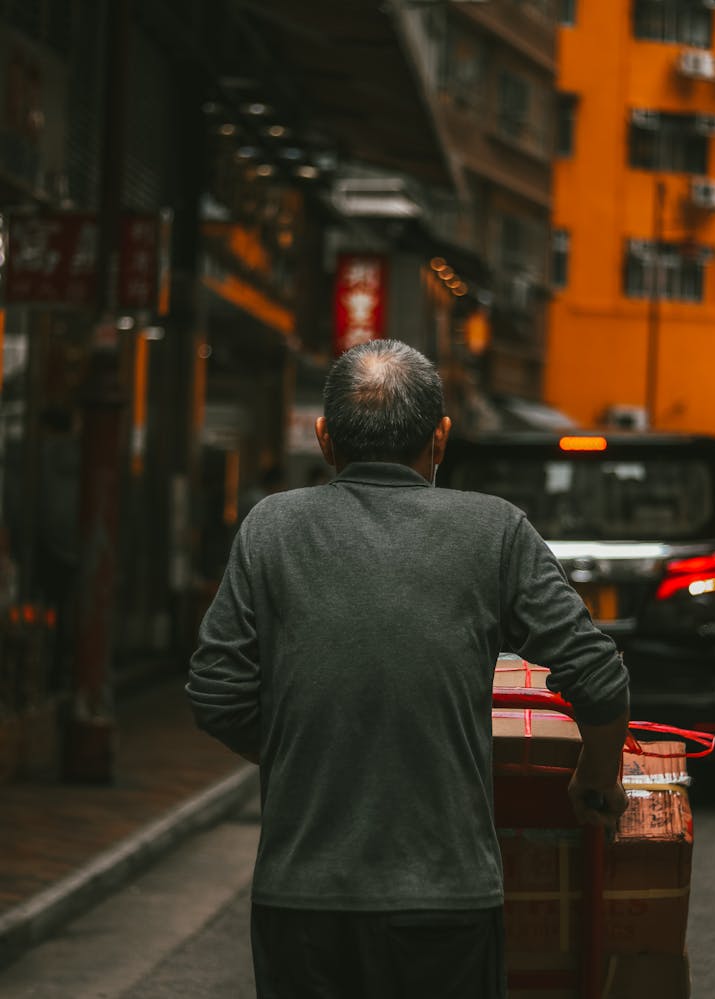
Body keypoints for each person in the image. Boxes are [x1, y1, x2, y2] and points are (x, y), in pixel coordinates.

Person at [186, 339, 630, 999]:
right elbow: (597, 674)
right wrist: (595, 778)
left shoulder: (270, 528)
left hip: (301, 904)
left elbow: (216, 693)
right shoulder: (496, 530)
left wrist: (309, 750)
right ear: (441, 437)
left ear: (323, 437)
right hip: (447, 902)